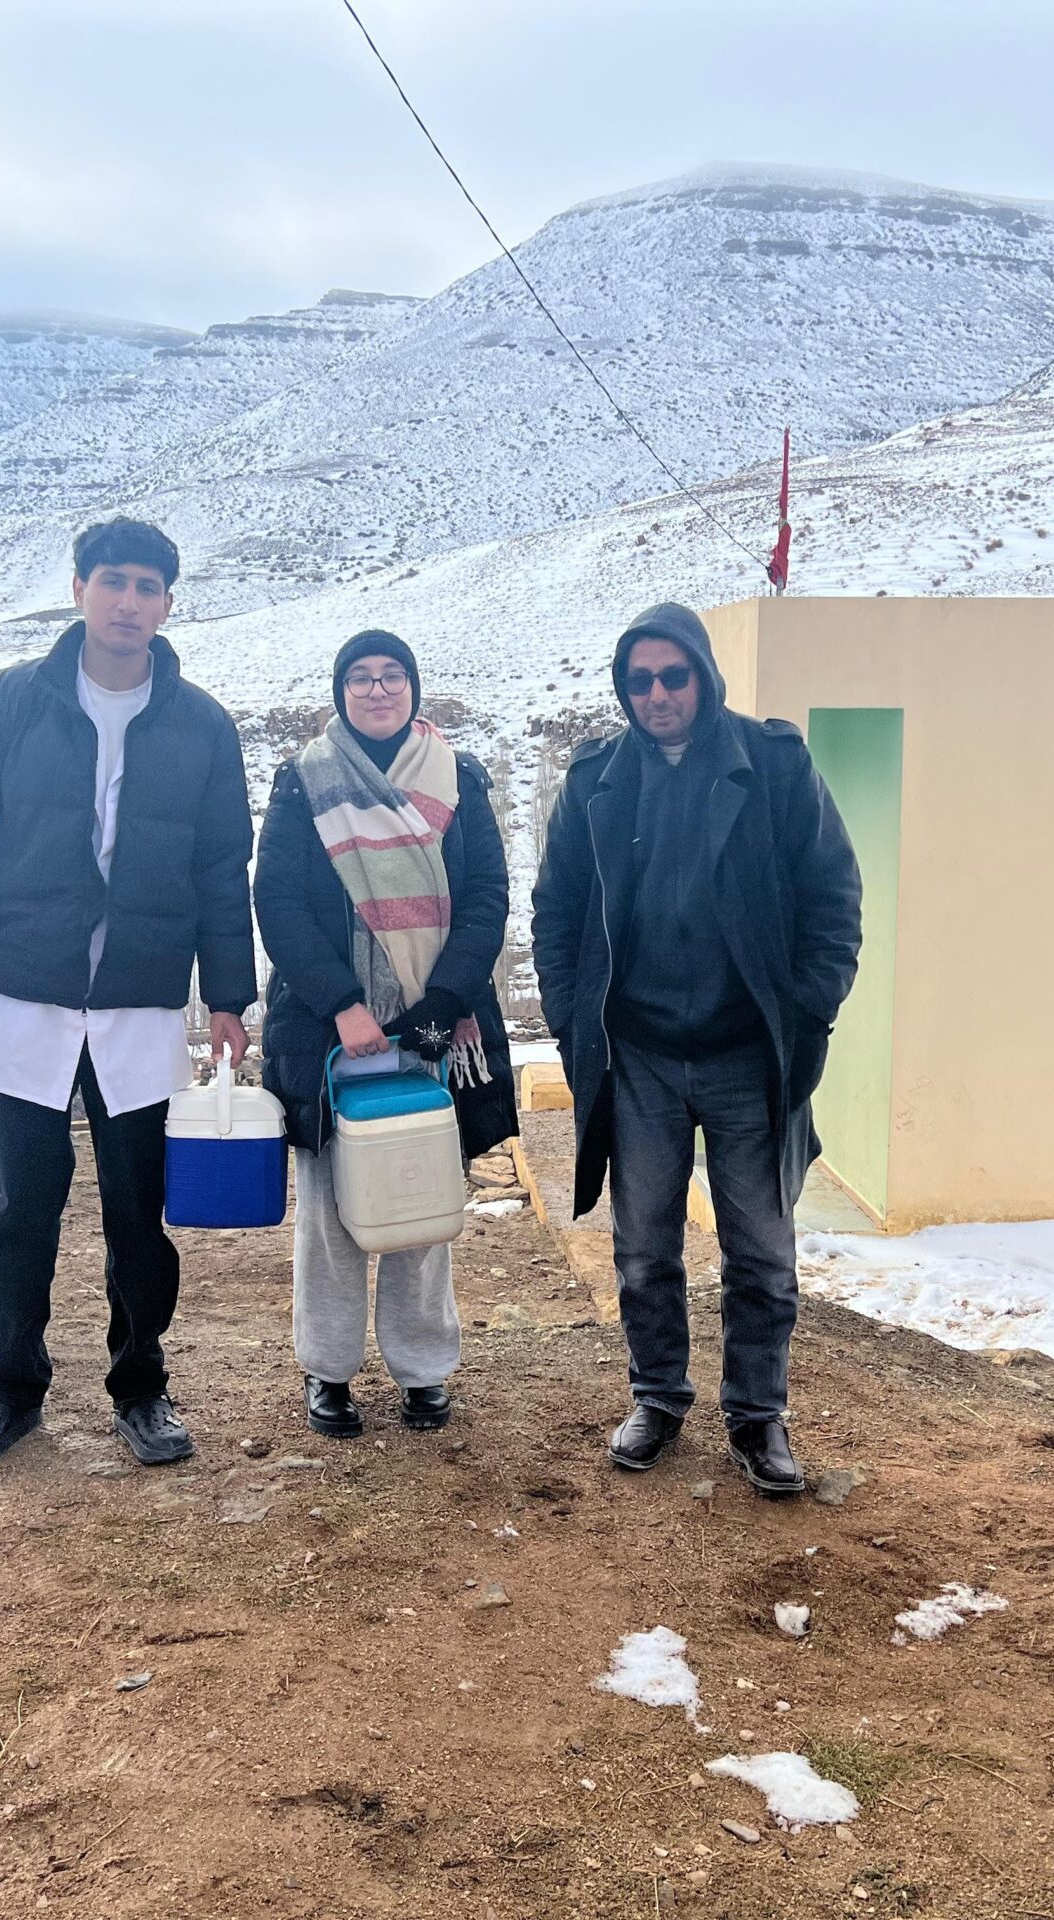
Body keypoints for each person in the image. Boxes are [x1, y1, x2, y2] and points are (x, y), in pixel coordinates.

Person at [0, 517, 254, 1471]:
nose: (129, 602)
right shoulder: (13, 703)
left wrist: (229, 996)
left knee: (138, 1213)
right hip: (30, 997)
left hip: (139, 1002)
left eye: (147, 587)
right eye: (113, 581)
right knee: (18, 1210)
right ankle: (10, 1388)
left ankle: (142, 1387)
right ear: (80, 589)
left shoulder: (202, 724)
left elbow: (222, 867)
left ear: (167, 603)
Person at [531, 603, 861, 1496]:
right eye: (639, 680)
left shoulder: (774, 766)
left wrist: (808, 1009)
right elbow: (556, 913)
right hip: (638, 1055)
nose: (657, 694)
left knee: (762, 1253)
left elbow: (833, 897)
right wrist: (571, 1019)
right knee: (644, 1247)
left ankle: (757, 1416)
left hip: (748, 1055)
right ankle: (657, 1398)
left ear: (703, 676)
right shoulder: (596, 782)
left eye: (673, 675)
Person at [254, 631, 518, 1438]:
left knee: (420, 1197)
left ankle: (423, 1370)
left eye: (391, 675)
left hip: (433, 1025)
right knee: (329, 1212)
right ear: (341, 692)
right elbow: (278, 901)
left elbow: (487, 895)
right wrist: (341, 1003)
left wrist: (441, 1005)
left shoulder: (457, 776)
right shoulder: (304, 780)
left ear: (413, 687)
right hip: (328, 1032)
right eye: (361, 677)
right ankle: (328, 1371)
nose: (377, 689)